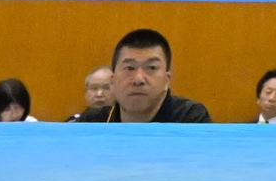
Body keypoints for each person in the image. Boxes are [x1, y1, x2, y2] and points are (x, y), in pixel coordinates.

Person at [72, 30, 209, 123]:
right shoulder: (94, 121)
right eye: (130, 68)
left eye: (151, 68)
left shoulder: (189, 118)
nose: (138, 79)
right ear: (113, 80)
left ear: (167, 80)